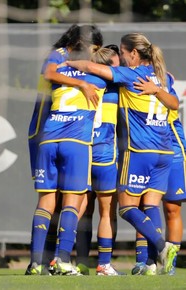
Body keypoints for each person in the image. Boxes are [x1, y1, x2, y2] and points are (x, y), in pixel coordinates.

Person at [66, 32, 179, 274]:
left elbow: (90, 66)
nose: (123, 58)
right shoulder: (163, 78)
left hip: (140, 150)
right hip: (165, 152)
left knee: (126, 208)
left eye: (124, 53)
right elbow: (174, 104)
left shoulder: (130, 75)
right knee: (150, 206)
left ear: (134, 54)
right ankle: (153, 266)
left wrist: (66, 64)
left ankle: (162, 246)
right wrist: (157, 91)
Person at [26, 24, 104, 275]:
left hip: (48, 137)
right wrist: (83, 84)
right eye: (94, 48)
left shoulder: (66, 67)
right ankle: (62, 260)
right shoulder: (65, 58)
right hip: (75, 142)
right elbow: (49, 72)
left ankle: (37, 263)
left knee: (46, 202)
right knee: (73, 200)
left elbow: (52, 75)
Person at [130, 76, 186, 275]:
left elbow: (172, 103)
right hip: (146, 147)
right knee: (144, 205)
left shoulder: (166, 77)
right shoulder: (133, 77)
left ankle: (169, 264)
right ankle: (145, 261)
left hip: (173, 147)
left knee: (172, 208)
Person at [75, 46, 122, 276]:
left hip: (83, 151)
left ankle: (74, 261)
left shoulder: (82, 84)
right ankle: (104, 264)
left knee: (82, 211)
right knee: (107, 212)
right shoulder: (116, 87)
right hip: (104, 153)